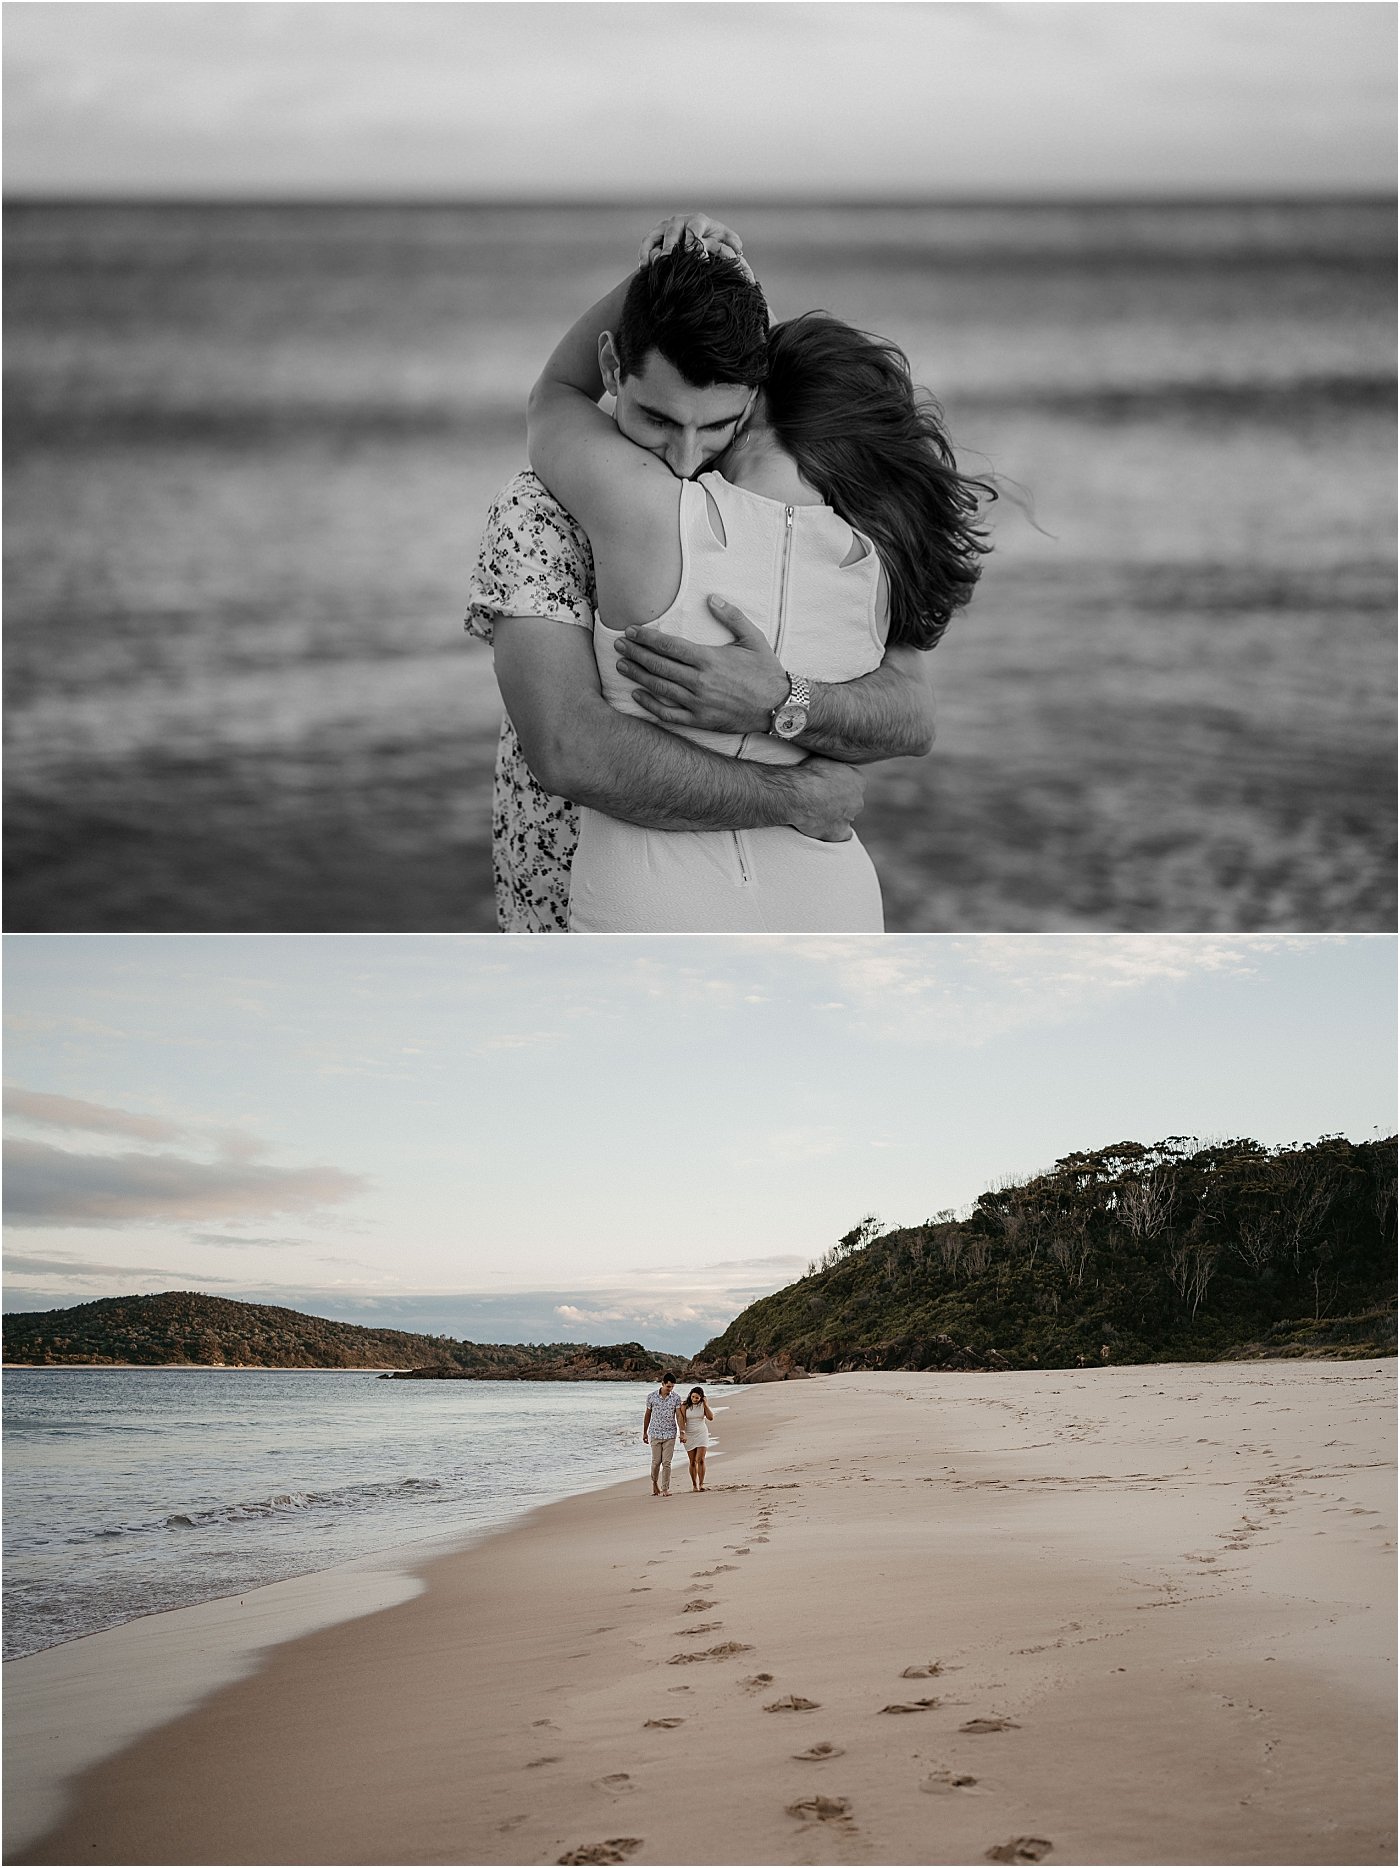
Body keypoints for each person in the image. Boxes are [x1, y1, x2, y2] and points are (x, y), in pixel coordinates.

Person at [464, 214, 941, 932]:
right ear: (614, 367)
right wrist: (792, 796)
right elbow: (568, 748)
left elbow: (910, 712)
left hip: (704, 902)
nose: (685, 456)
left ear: (750, 401)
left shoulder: (788, 500)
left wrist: (782, 699)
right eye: (657, 419)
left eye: (716, 426)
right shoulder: (535, 513)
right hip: (564, 894)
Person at [642, 1373, 682, 1497]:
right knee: (656, 1462)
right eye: (668, 1386)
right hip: (655, 1433)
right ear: (663, 1383)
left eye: (672, 1387)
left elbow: (679, 1415)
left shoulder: (676, 1398)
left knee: (666, 1463)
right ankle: (654, 1483)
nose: (670, 1389)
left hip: (670, 1433)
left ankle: (665, 1488)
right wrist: (645, 1432)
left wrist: (682, 1431)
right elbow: (647, 1414)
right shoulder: (651, 1397)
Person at [677, 1386, 714, 1492]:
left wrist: (706, 1404)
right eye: (693, 1397)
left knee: (700, 1459)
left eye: (697, 1398)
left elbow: (711, 1418)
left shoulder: (703, 1405)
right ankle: (694, 1485)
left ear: (701, 1398)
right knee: (692, 1461)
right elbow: (681, 1420)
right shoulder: (685, 1405)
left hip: (701, 1433)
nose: (694, 1399)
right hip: (689, 1434)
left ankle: (701, 1484)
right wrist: (682, 1433)